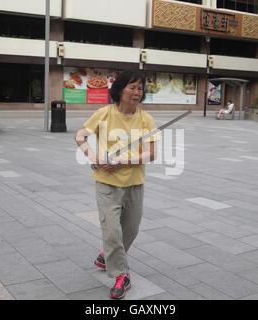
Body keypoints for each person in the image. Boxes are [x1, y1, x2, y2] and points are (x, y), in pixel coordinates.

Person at [75, 70, 160, 299]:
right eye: (132, 87)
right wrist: (94, 156)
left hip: (134, 183)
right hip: (107, 184)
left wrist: (123, 160)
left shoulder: (145, 119)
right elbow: (80, 136)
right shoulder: (104, 113)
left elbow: (152, 154)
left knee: (130, 229)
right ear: (120, 89)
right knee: (112, 230)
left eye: (140, 88)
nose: (136, 92)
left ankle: (107, 255)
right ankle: (122, 275)